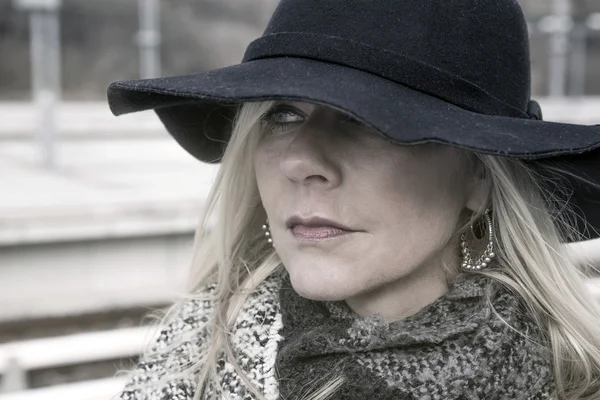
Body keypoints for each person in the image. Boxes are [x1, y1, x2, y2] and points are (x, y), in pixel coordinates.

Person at [107, 0, 600, 399]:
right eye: (283, 114)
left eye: (365, 120)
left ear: (479, 173)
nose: (299, 160)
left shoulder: (573, 381)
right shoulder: (191, 359)